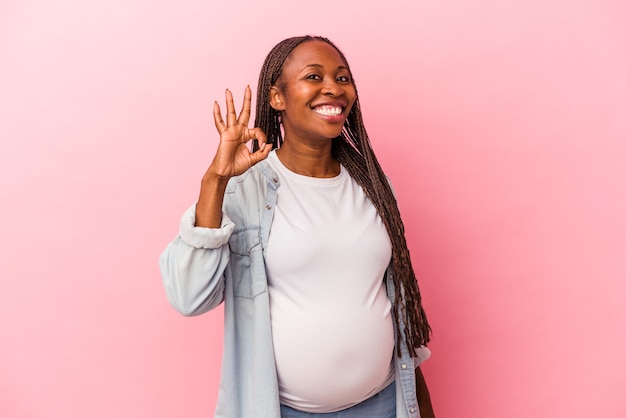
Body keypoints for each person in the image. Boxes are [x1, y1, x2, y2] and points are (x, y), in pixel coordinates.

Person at [160, 35, 435, 418]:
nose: (333, 89)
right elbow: (189, 297)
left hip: (386, 403)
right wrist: (215, 181)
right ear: (277, 98)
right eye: (313, 76)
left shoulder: (373, 184)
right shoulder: (247, 189)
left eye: (342, 78)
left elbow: (398, 306)